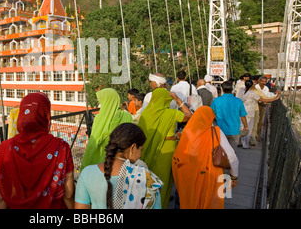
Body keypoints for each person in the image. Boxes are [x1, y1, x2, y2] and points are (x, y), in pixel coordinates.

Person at [0, 92, 75, 209]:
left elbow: (2, 196)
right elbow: (68, 193)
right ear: (46, 115)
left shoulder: (5, 148)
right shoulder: (61, 147)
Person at [75, 123, 163, 209]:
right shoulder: (147, 179)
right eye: (140, 149)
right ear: (132, 148)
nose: (140, 155)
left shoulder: (87, 173)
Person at [138, 79, 192, 209]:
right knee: (163, 181)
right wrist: (179, 101)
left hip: (148, 150)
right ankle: (160, 205)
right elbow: (189, 115)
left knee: (149, 179)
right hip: (168, 149)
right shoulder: (171, 113)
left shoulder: (146, 114)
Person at [172, 106, 239, 209]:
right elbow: (231, 156)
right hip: (208, 176)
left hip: (185, 175)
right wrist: (233, 176)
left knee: (185, 201)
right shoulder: (215, 131)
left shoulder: (186, 132)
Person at [81, 88, 133, 170]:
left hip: (104, 162)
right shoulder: (127, 115)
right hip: (124, 161)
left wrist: (85, 165)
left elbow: (94, 142)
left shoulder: (100, 118)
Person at [239, 80, 279, 148]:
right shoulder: (251, 93)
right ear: (252, 86)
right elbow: (263, 100)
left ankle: (240, 142)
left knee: (242, 127)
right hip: (250, 112)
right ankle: (245, 144)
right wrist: (275, 99)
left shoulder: (242, 91)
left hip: (242, 111)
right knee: (248, 128)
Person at [210, 81, 248, 151]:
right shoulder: (238, 101)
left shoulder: (216, 100)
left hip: (221, 130)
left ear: (222, 90)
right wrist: (246, 127)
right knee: (233, 151)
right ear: (232, 90)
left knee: (222, 151)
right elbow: (243, 116)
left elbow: (211, 114)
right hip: (234, 130)